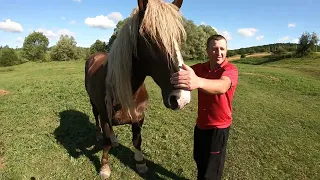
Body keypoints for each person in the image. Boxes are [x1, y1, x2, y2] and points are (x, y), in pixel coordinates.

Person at [170, 34, 238, 180]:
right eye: (214, 49)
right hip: (200, 125)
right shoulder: (200, 68)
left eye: (222, 49)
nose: (219, 53)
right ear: (207, 51)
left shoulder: (230, 70)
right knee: (200, 162)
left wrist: (198, 82)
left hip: (218, 129)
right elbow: (179, 69)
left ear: (226, 50)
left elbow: (222, 86)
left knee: (211, 173)